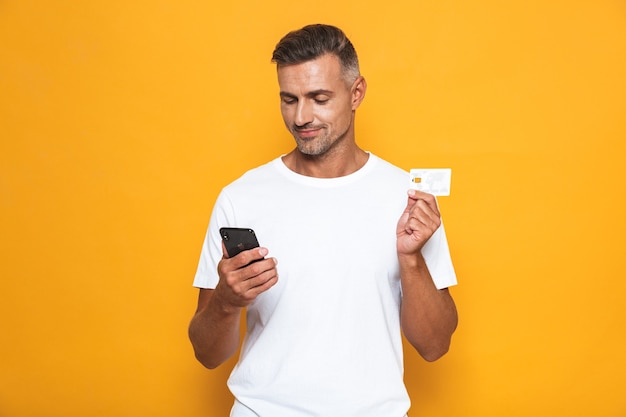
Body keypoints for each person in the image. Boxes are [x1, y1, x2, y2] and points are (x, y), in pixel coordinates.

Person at [188, 23, 458, 417]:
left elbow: (435, 346)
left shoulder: (406, 199)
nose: (301, 117)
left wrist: (412, 260)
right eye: (289, 99)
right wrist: (227, 303)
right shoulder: (241, 197)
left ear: (356, 93)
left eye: (319, 98)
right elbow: (206, 354)